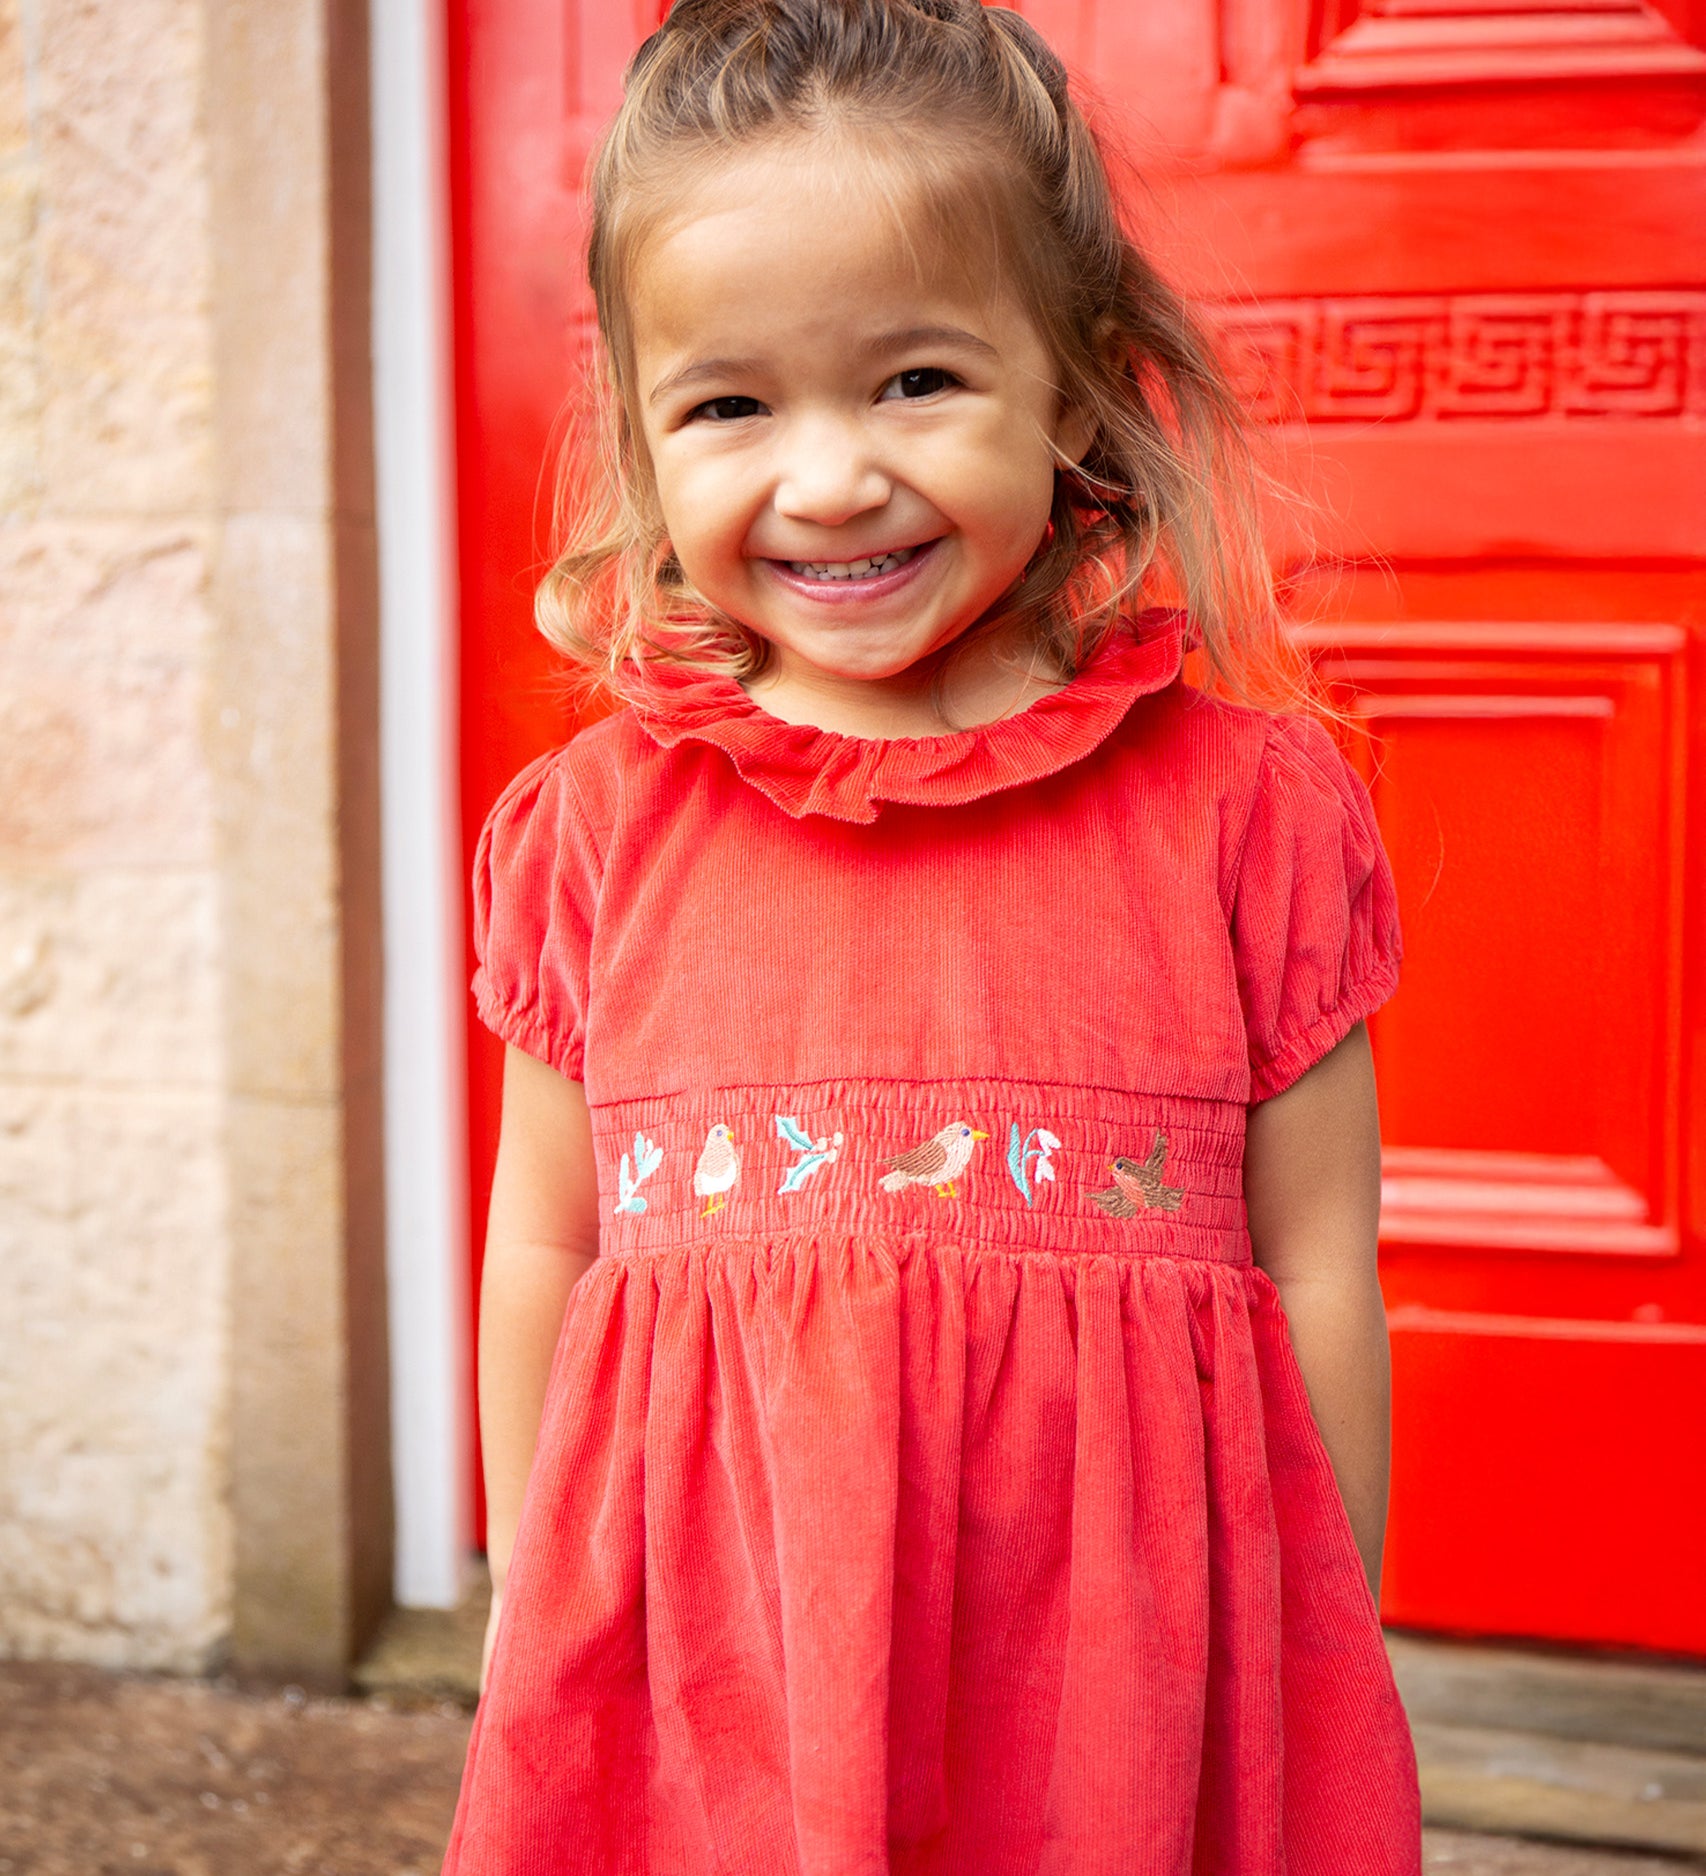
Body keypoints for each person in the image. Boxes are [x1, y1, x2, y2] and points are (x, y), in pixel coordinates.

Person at [443, 2, 1421, 1870]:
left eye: (913, 382)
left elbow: (1318, 1269)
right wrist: (526, 1602)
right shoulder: (595, 833)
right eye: (730, 405)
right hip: (717, 1663)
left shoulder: (1246, 809)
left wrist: (1320, 1636)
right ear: (644, 446)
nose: (825, 480)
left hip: (1115, 1682)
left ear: (1073, 388)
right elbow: (545, 1246)